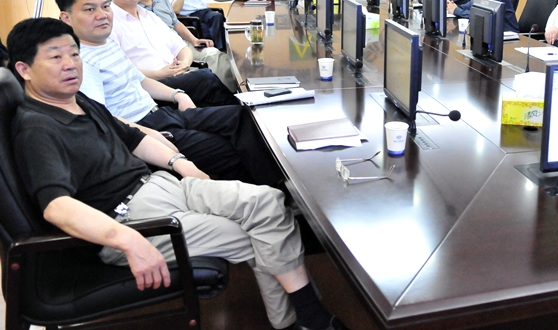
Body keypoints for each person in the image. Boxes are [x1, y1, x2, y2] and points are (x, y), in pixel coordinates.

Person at [6, 17, 347, 330]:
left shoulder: (78, 101)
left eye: (74, 54)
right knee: (255, 235)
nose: (70, 64)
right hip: (130, 219)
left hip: (160, 185)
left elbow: (134, 138)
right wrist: (127, 240)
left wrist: (182, 164)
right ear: (24, 69)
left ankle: (301, 319)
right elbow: (56, 207)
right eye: (55, 57)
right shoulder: (37, 128)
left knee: (268, 202)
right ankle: (305, 320)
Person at [53, 0, 283, 188]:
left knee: (240, 116)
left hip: (161, 114)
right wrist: (151, 136)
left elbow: (140, 80)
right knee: (227, 151)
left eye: (105, 6)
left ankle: (280, 185)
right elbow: (103, 118)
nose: (102, 14)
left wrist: (178, 95)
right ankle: (270, 195)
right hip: (144, 128)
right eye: (90, 9)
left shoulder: (106, 42)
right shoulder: (80, 61)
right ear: (66, 18)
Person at [104, 0, 238, 106]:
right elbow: (119, 71)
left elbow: (181, 47)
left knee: (222, 103)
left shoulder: (149, 16)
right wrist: (159, 74)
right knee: (205, 79)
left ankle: (241, 108)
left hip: (176, 76)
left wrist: (183, 64)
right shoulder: (108, 24)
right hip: (150, 88)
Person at [134, 0, 238, 92]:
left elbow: (175, 22)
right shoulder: (131, 7)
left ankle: (231, 94)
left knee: (216, 55)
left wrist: (194, 40)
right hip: (158, 51)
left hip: (177, 42)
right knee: (200, 76)